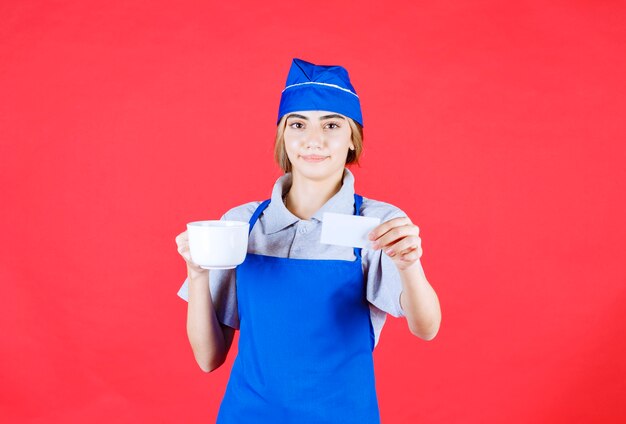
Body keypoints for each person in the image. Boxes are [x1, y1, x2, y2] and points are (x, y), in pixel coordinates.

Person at [174, 57, 441, 424]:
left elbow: (426, 327)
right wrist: (197, 273)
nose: (313, 139)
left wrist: (410, 265)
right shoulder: (240, 225)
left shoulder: (377, 223)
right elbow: (208, 359)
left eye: (332, 124)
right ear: (283, 136)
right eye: (297, 124)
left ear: (352, 139)